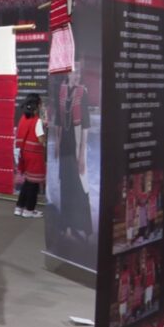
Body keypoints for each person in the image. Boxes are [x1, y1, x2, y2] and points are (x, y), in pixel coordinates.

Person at [56, 62, 94, 241]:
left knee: (79, 187)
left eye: (79, 72)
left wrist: (82, 154)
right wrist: (57, 144)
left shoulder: (82, 92)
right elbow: (58, 120)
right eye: (74, 72)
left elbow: (86, 125)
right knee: (65, 186)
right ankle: (67, 226)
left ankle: (84, 228)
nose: (77, 75)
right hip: (65, 145)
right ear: (68, 74)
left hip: (77, 146)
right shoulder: (62, 91)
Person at [15, 93, 46, 218]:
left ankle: (19, 207)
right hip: (34, 156)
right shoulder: (37, 120)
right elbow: (41, 140)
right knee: (33, 185)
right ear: (37, 105)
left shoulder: (24, 118)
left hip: (25, 154)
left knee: (28, 182)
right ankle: (29, 210)